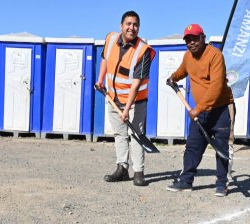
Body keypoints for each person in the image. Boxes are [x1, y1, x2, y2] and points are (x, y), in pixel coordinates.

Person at [166, 23, 234, 197]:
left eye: (195, 38)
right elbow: (183, 70)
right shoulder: (188, 56)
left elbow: (216, 87)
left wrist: (199, 109)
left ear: (203, 38)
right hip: (200, 110)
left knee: (221, 148)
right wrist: (173, 77)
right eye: (188, 40)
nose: (192, 43)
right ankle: (186, 181)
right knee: (193, 146)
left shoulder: (215, 55)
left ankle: (221, 184)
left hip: (219, 110)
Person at [96, 10, 155, 187]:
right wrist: (100, 79)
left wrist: (127, 109)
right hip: (113, 97)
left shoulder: (143, 50)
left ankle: (139, 171)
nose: (132, 28)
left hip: (135, 100)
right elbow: (105, 59)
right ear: (121, 26)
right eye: (128, 24)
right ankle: (122, 168)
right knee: (119, 134)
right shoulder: (111, 39)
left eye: (135, 25)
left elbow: (136, 84)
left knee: (136, 135)